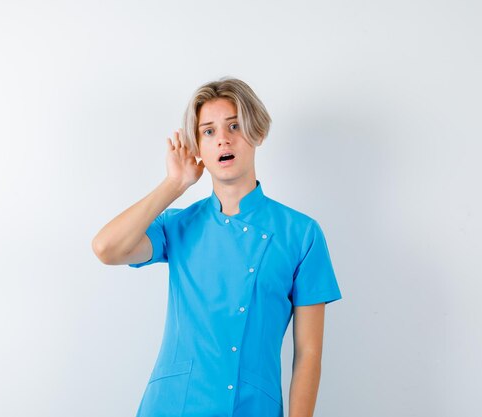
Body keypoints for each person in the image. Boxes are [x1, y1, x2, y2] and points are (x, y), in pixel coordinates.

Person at [91, 77, 342, 417]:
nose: (222, 138)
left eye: (234, 125)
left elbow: (309, 353)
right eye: (208, 131)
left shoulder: (300, 234)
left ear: (258, 133)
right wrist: (174, 184)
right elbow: (107, 248)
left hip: (251, 406)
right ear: (197, 147)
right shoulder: (177, 225)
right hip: (172, 405)